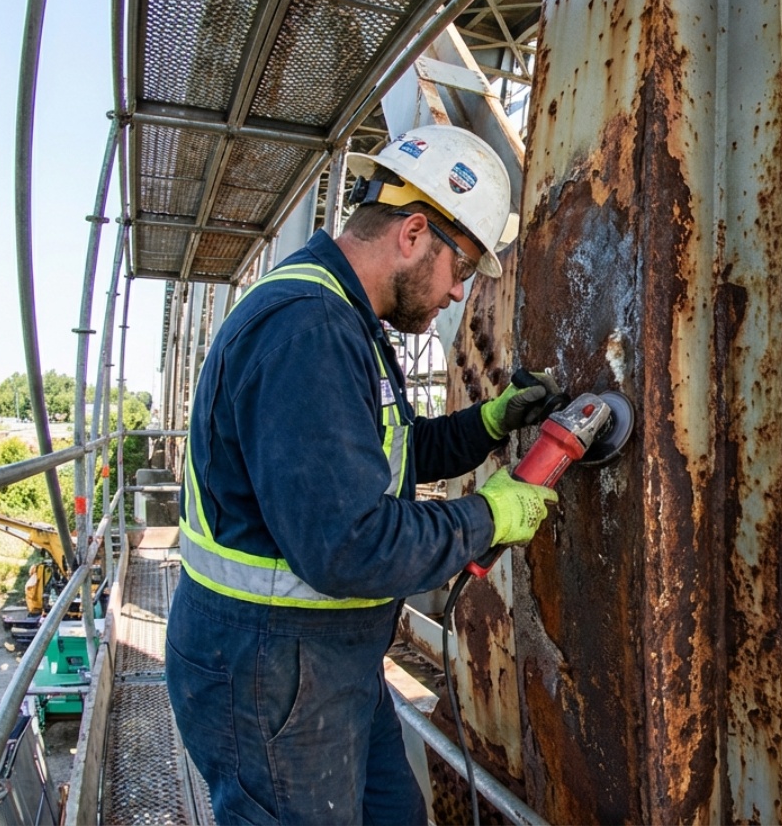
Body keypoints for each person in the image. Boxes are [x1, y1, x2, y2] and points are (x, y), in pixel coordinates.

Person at [166, 124, 560, 825]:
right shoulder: (307, 328)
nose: (458, 295)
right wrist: (488, 518)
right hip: (272, 673)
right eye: (461, 269)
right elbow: (350, 542)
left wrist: (490, 423)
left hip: (328, 662)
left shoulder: (345, 316)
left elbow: (384, 456)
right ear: (413, 234)